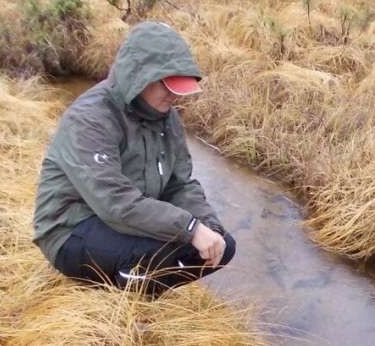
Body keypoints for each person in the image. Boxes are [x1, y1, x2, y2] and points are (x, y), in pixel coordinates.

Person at [33, 21, 235, 296]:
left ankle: (137, 282)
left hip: (128, 217)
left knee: (223, 245)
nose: (175, 96)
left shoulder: (167, 117)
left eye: (180, 88)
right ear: (139, 77)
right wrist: (189, 227)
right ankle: (128, 294)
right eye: (168, 86)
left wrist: (208, 225)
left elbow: (179, 185)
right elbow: (116, 203)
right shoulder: (91, 119)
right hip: (72, 226)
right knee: (151, 255)